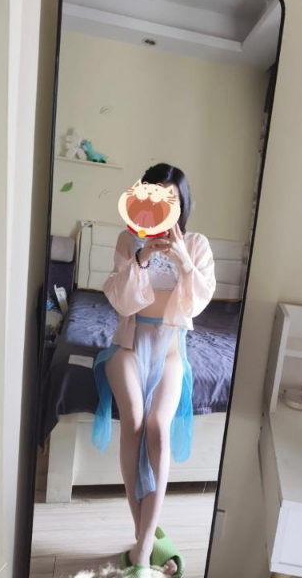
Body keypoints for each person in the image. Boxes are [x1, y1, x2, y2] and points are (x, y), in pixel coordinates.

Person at [91, 164, 217, 576]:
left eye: (173, 198)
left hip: (170, 350)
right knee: (133, 421)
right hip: (128, 345)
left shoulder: (196, 244)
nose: (166, 205)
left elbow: (197, 304)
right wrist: (143, 256)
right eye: (158, 197)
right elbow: (122, 302)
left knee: (158, 427)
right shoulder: (127, 240)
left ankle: (142, 547)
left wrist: (183, 260)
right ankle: (144, 543)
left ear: (183, 203)